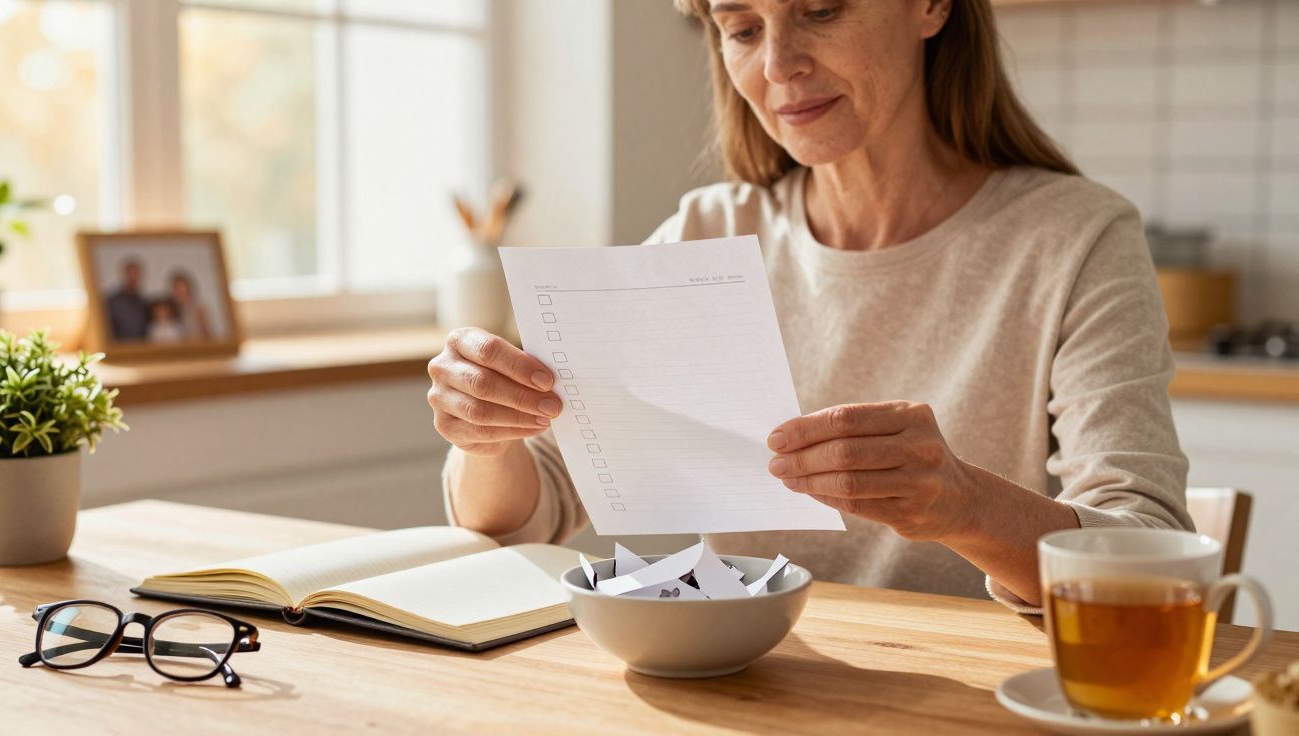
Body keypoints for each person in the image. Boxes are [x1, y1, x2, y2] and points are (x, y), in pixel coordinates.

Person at [426, 0, 1192, 610]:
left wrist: (967, 506)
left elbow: (1155, 560)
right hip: (744, 688)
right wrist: (486, 440)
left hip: (971, 698)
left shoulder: (1078, 240)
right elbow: (528, 513)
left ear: (932, 6)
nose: (779, 65)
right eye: (742, 28)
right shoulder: (705, 234)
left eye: (822, 11)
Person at [105, 259, 150, 341]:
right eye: (131, 274)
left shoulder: (144, 302)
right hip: (119, 346)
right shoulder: (113, 301)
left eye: (136, 274)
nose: (134, 278)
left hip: (141, 346)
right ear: (125, 274)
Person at [169, 271, 214, 340]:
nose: (178, 292)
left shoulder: (199, 308)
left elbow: (208, 332)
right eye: (175, 288)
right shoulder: (172, 310)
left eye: (180, 288)